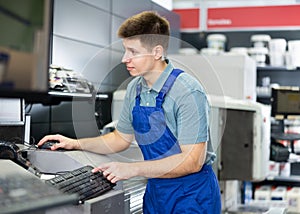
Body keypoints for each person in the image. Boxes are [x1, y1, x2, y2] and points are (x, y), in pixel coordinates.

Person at [38, 11, 221, 213]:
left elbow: (192, 161)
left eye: (133, 52)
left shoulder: (187, 91)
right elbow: (120, 139)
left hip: (192, 196)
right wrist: (75, 143)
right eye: (125, 50)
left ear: (157, 52)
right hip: (156, 193)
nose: (125, 59)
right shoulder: (135, 88)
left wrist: (131, 169)